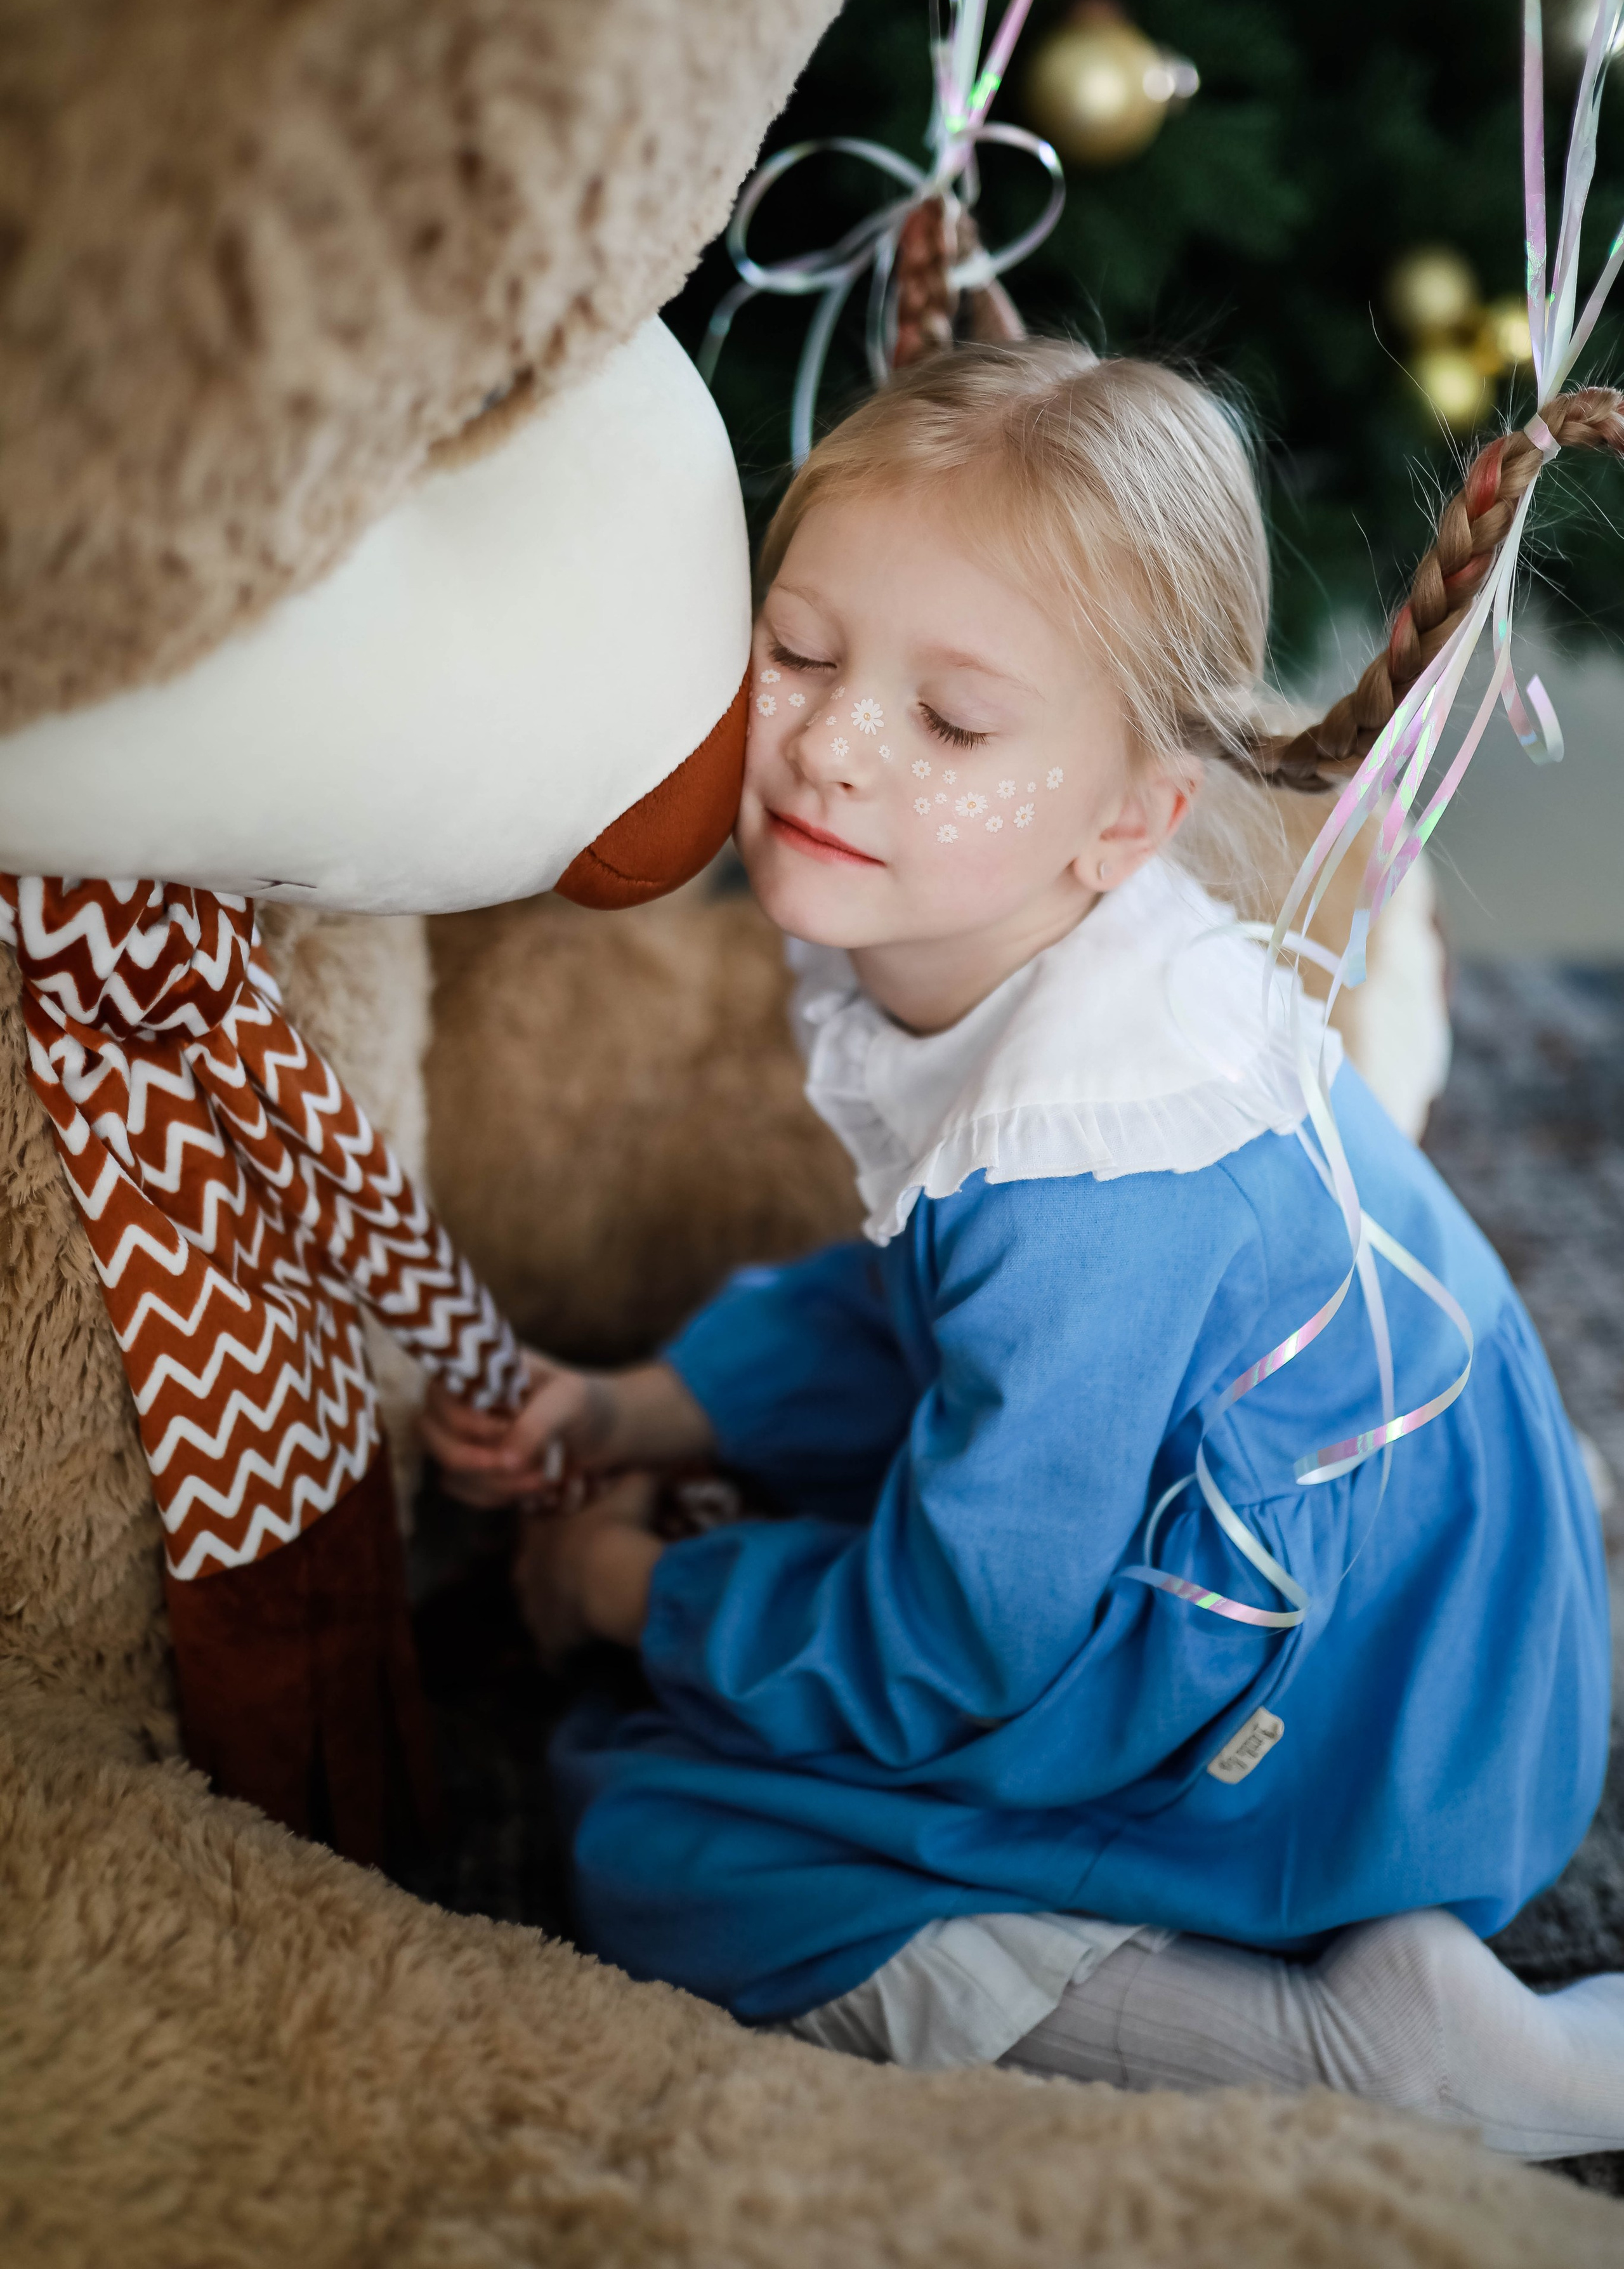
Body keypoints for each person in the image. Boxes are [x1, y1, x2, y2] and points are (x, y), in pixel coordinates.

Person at [427, 342, 1622, 2157]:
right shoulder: (989, 950)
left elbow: (957, 1642)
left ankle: (1379, 2055)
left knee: (668, 1840)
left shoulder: (1096, 1161)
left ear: (1129, 818)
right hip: (1383, 1599)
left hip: (1374, 1730)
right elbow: (926, 1312)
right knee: (804, 1590)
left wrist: (635, 1601)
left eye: (954, 722)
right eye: (803, 652)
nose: (830, 738)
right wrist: (648, 1407)